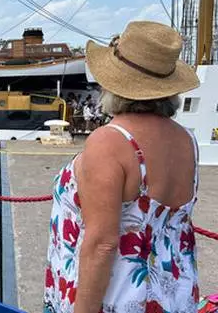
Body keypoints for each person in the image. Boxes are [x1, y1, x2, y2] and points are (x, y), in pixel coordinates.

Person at [44, 21, 200, 313]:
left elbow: (102, 245)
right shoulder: (187, 141)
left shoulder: (111, 142)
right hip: (174, 296)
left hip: (120, 298)